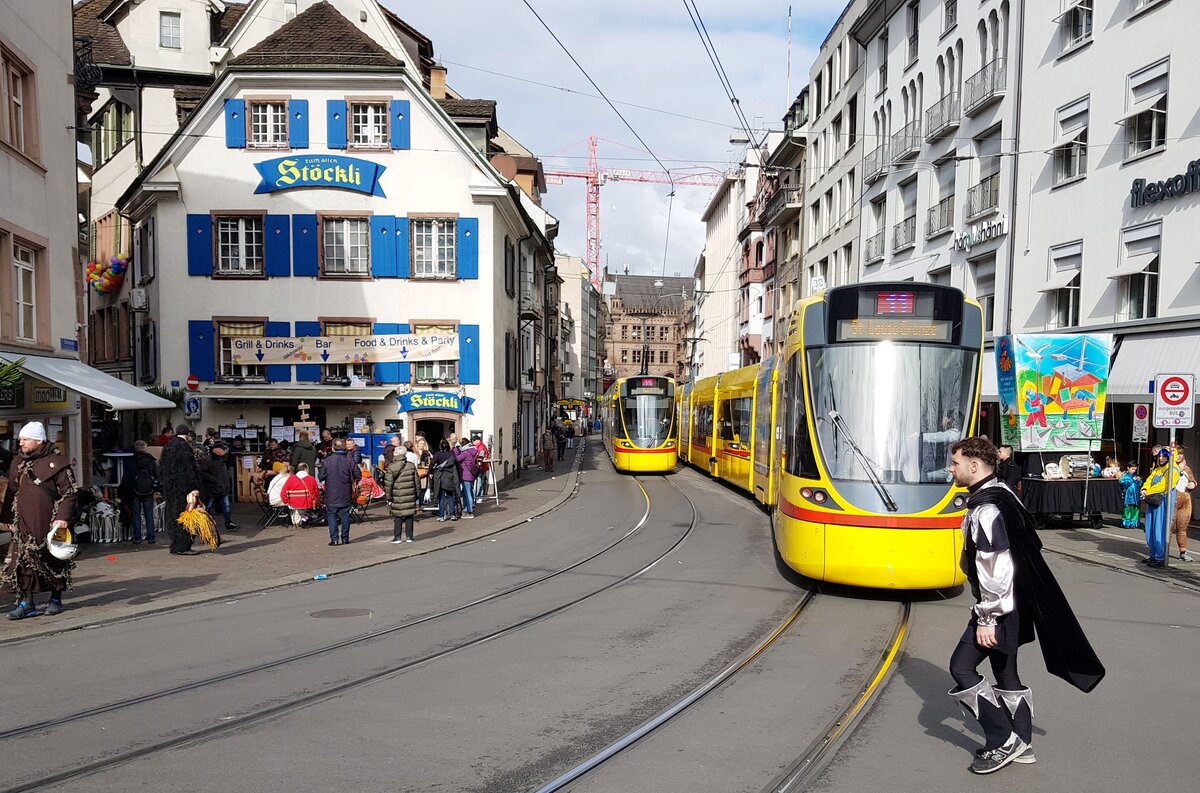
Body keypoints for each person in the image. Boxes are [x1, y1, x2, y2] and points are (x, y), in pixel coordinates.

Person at [946, 436, 1104, 775]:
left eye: (955, 462)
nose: (951, 468)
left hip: (999, 605)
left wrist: (988, 616)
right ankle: (1024, 743)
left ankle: (1002, 740)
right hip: (1018, 601)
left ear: (974, 466)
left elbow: (995, 564)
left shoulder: (986, 509)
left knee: (961, 667)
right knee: (1006, 671)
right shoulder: (1004, 494)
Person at [1, 422, 78, 619]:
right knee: (23, 563)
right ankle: (27, 603)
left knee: (54, 561)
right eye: (20, 439)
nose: (21, 443)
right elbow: (11, 491)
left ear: (39, 440)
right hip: (24, 522)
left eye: (26, 439)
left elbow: (69, 493)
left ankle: (55, 599)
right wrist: (7, 519)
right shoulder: (18, 461)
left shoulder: (58, 463)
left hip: (50, 523)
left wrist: (62, 518)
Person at [160, 424, 202, 555]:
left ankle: (175, 545)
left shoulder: (168, 446)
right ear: (188, 434)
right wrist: (194, 487)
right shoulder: (184, 448)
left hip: (169, 488)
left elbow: (161, 467)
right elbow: (187, 470)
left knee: (173, 516)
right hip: (183, 489)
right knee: (187, 516)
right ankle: (183, 546)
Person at [1140, 448, 1178, 568]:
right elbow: (1149, 480)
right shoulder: (1157, 469)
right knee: (1150, 528)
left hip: (1162, 502)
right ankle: (1153, 554)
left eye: (1163, 456)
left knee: (1160, 529)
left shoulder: (1173, 470)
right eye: (1159, 456)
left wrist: (1148, 491)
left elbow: (1164, 486)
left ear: (1169, 457)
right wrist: (1144, 489)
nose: (1160, 458)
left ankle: (1160, 557)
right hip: (1153, 501)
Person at [318, 439, 359, 546]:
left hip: (331, 492)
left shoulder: (327, 460)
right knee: (345, 515)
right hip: (345, 492)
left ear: (333, 448)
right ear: (344, 447)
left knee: (331, 515)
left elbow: (321, 476)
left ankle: (334, 539)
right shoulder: (349, 459)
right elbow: (358, 475)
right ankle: (345, 539)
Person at [199, 443, 238, 533]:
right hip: (213, 488)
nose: (224, 451)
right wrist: (214, 480)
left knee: (226, 507)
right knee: (207, 507)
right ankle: (202, 524)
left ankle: (228, 524)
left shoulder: (222, 459)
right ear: (216, 450)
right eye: (221, 449)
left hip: (222, 487)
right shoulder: (208, 460)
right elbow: (202, 473)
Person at [383, 449, 421, 543]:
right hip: (410, 493)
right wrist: (417, 494)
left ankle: (397, 537)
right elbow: (417, 481)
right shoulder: (411, 465)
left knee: (398, 515)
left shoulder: (391, 467)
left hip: (397, 494)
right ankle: (409, 537)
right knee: (409, 515)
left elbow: (388, 484)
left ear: (397, 454)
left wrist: (388, 496)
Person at [130, 440, 159, 545]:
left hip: (135, 490)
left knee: (136, 514)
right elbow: (157, 474)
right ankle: (151, 537)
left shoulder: (132, 460)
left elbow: (128, 476)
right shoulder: (151, 460)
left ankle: (137, 537)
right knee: (149, 513)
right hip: (148, 490)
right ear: (145, 448)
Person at [1171, 446, 1195, 562]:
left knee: (1183, 527)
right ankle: (1163, 551)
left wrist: (1192, 484)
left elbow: (1193, 481)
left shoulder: (1187, 468)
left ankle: (1183, 551)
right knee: (1169, 527)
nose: (1179, 456)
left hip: (1186, 499)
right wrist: (1178, 470)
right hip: (1174, 499)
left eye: (1181, 454)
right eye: (1177, 454)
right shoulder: (1170, 467)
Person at [430, 439, 460, 522]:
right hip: (449, 477)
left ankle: (442, 515)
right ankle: (453, 514)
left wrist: (430, 471)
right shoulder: (452, 454)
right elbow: (456, 466)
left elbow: (432, 464)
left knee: (441, 498)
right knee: (450, 497)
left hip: (440, 477)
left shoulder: (437, 454)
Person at [454, 437, 480, 518]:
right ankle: (466, 509)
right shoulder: (472, 450)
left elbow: (457, 458)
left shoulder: (466, 452)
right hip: (471, 474)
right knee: (468, 492)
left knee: (467, 493)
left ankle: (469, 512)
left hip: (466, 475)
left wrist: (456, 449)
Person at [1119, 463, 1142, 529]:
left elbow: (1140, 484)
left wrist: (1139, 480)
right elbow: (1123, 483)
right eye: (1132, 469)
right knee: (1127, 509)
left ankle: (1134, 523)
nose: (1134, 471)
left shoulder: (1136, 476)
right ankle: (1126, 522)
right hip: (1128, 496)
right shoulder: (1125, 476)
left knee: (1135, 509)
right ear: (1128, 468)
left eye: (1135, 469)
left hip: (1136, 496)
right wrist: (1132, 480)